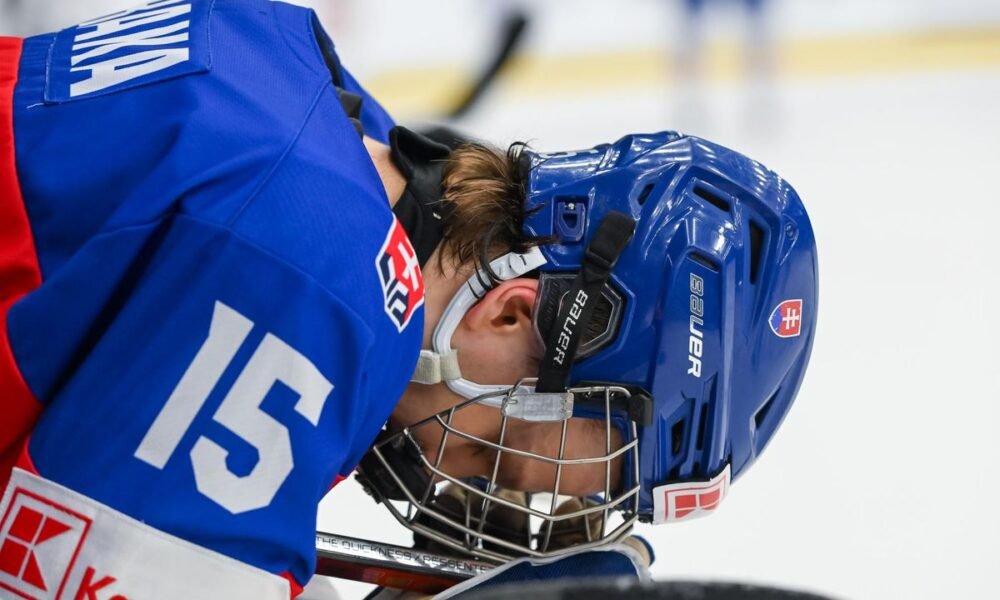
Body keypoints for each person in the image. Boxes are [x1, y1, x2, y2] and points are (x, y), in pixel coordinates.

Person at [0, 0, 817, 597]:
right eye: (490, 454)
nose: (471, 495)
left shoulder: (330, 106)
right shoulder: (322, 289)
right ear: (513, 311)